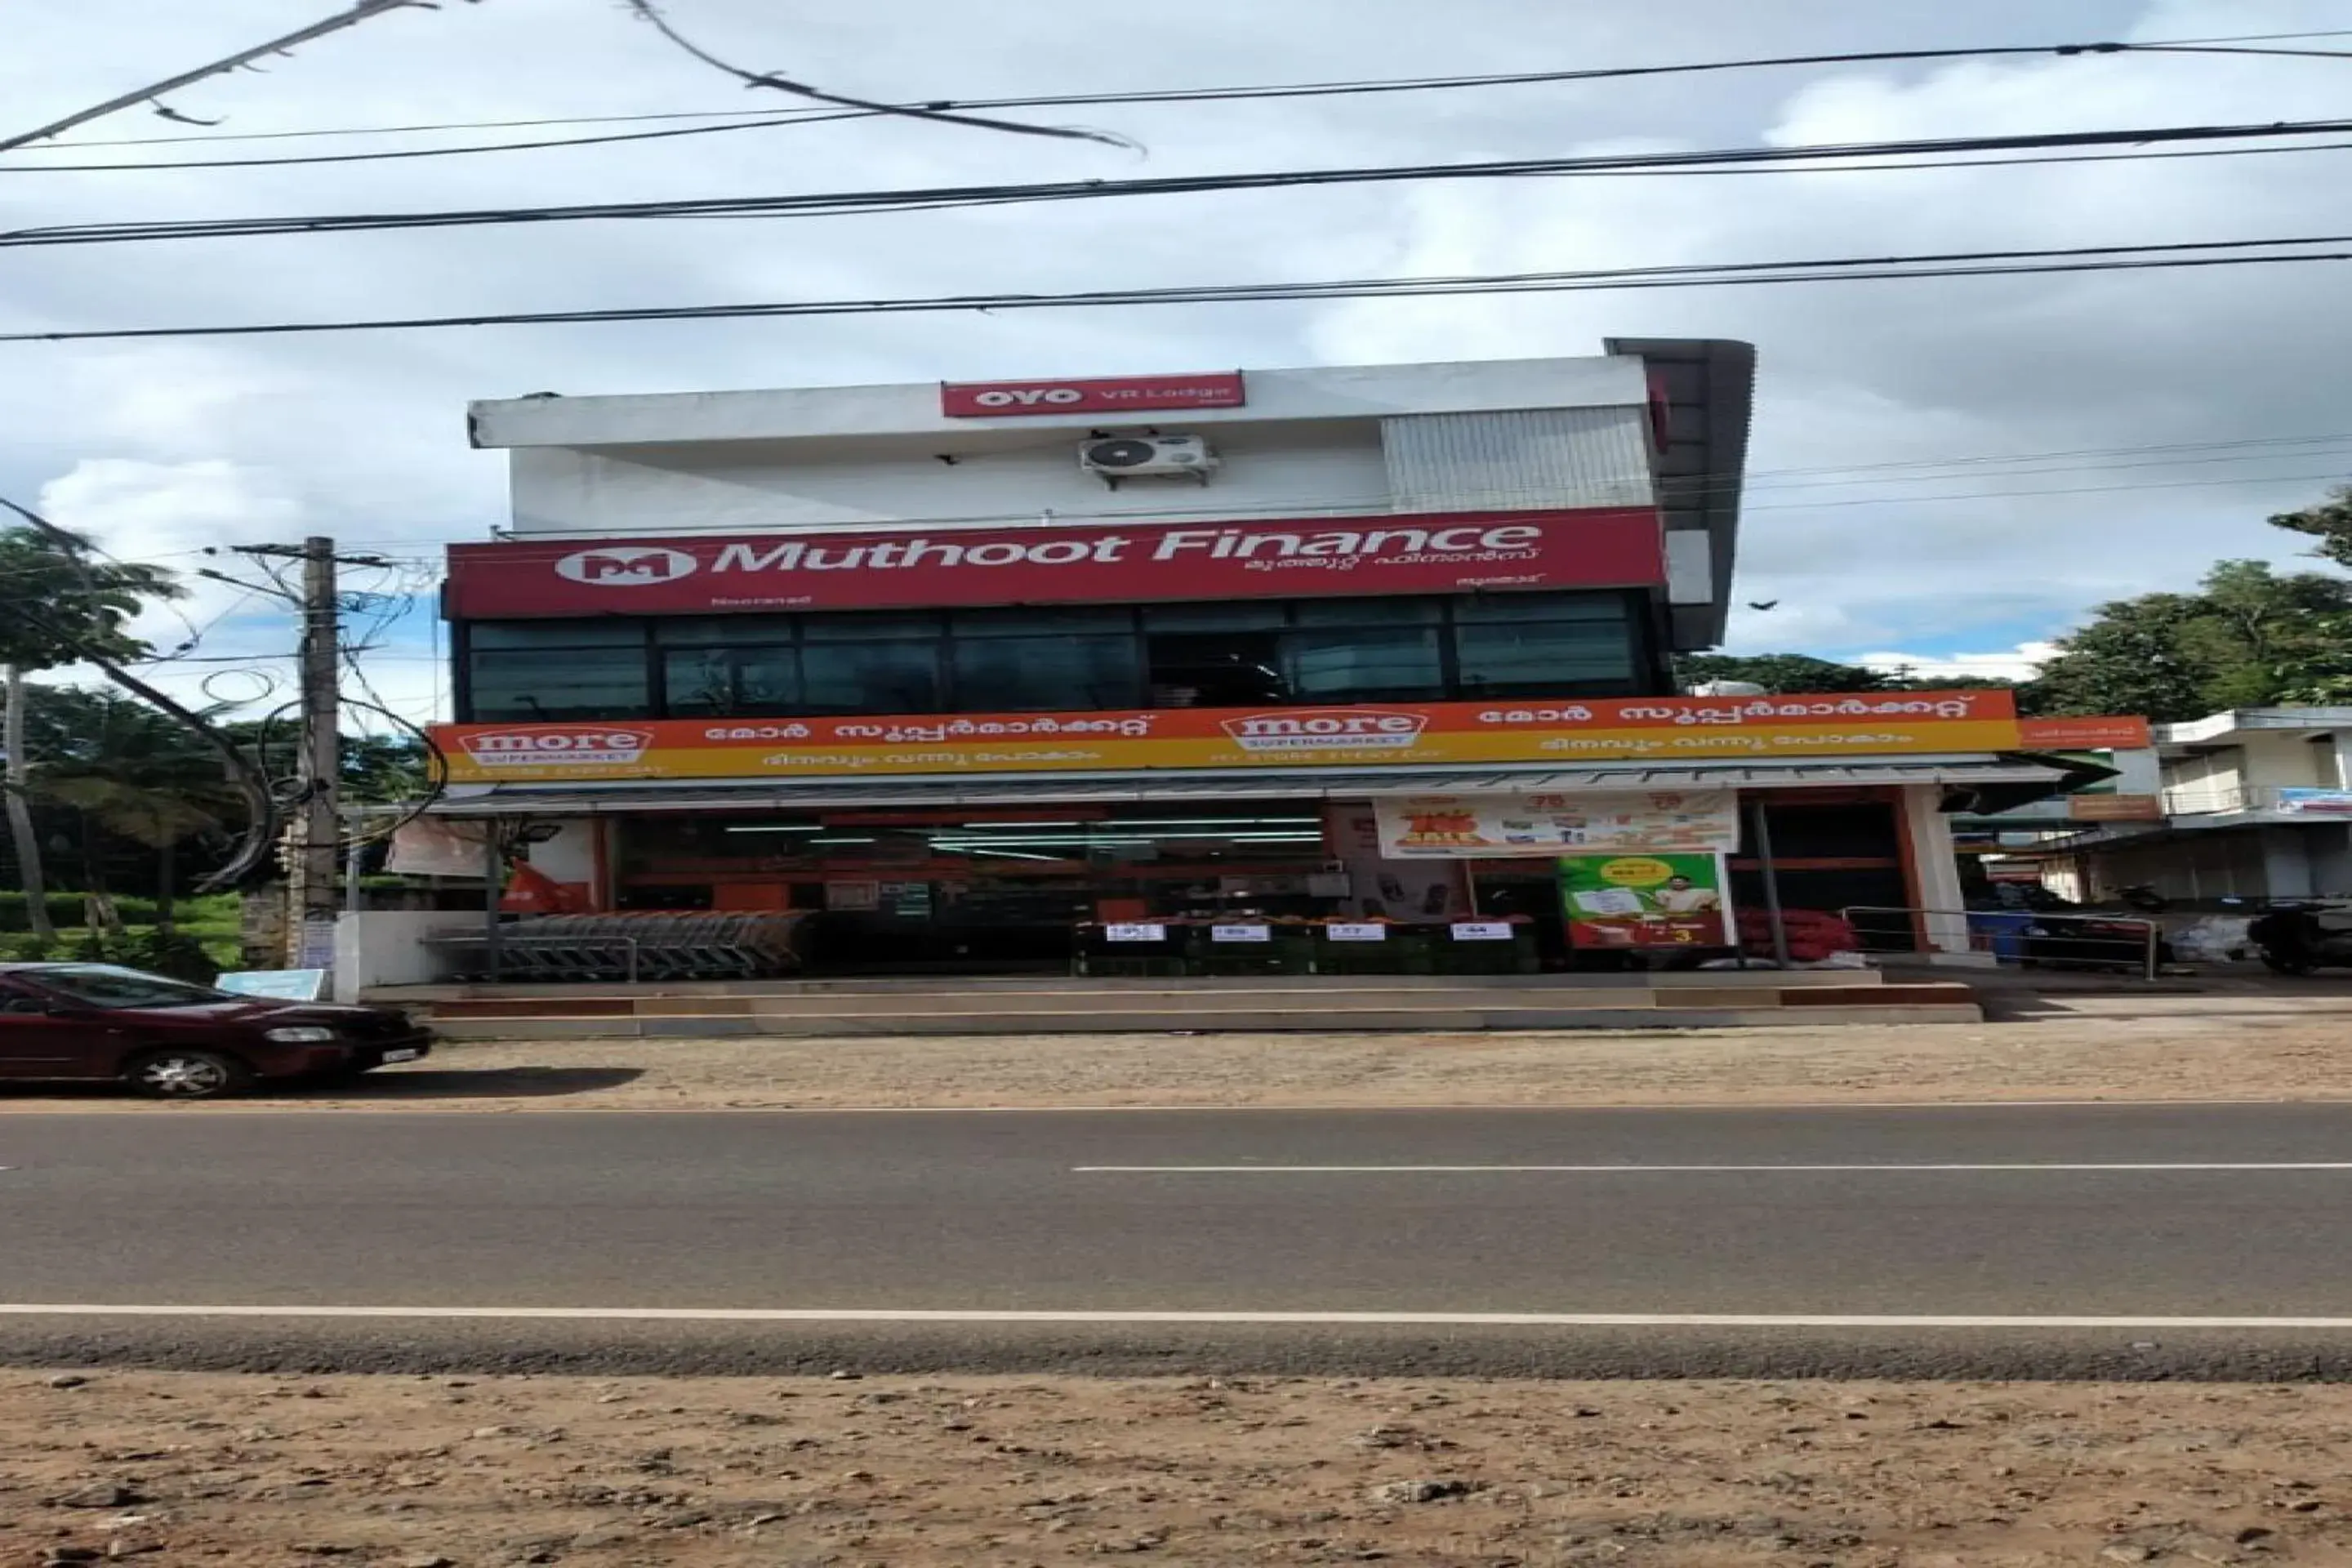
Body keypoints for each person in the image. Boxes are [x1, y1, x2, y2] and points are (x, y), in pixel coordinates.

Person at [1649, 874, 1719, 913]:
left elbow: (1714, 898)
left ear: (1687, 883)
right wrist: (1653, 899)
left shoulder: (1699, 892)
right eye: (1675, 882)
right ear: (1670, 884)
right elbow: (1661, 904)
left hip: (1693, 917)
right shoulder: (1664, 893)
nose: (1677, 884)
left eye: (1680, 882)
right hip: (1672, 917)